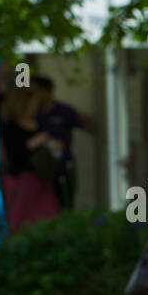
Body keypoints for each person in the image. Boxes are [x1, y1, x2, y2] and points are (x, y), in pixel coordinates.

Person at [0, 86, 60, 232]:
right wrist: (34, 143)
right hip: (20, 182)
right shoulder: (10, 127)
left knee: (48, 220)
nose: (35, 108)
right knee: (19, 223)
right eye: (32, 104)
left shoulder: (38, 124)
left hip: (41, 180)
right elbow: (14, 155)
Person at [34, 77, 95, 209]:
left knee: (66, 203)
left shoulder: (63, 111)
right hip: (40, 170)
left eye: (38, 91)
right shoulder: (34, 113)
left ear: (47, 91)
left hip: (63, 165)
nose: (35, 95)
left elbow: (88, 127)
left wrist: (87, 118)